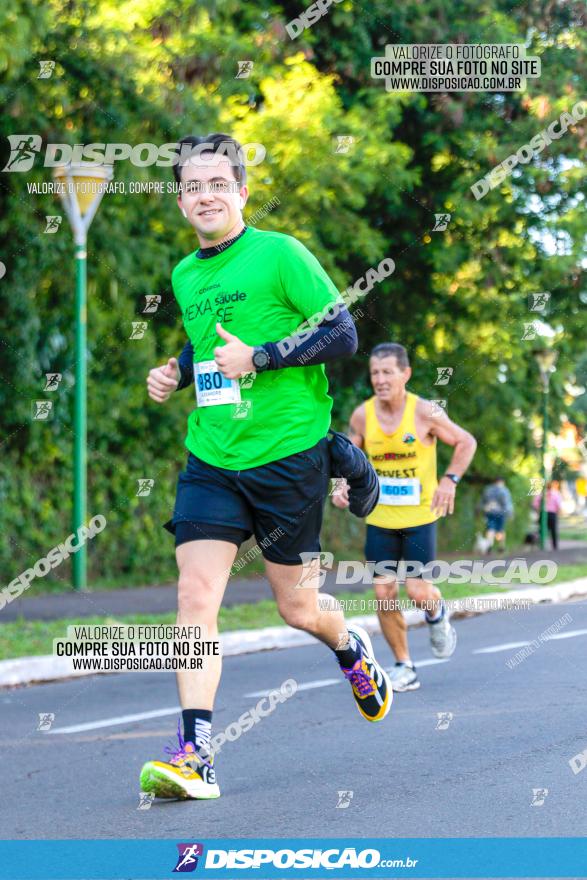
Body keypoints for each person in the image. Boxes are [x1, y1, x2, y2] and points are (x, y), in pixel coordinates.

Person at [139, 133, 392, 801]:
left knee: (298, 606)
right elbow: (211, 351)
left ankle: (349, 647)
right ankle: (195, 755)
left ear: (241, 191)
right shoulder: (185, 275)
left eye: (217, 184)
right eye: (192, 186)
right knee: (194, 597)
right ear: (180, 199)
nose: (205, 196)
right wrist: (178, 374)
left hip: (288, 458)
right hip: (212, 459)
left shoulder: (280, 254)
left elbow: (342, 333)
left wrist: (263, 356)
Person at [332, 343, 477, 692]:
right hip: (379, 517)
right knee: (384, 592)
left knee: (416, 590)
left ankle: (436, 613)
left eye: (387, 372)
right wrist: (339, 486)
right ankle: (404, 665)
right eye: (375, 373)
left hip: (419, 517)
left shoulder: (425, 412)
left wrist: (450, 480)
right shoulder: (362, 416)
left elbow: (466, 442)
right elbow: (347, 456)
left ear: (405, 374)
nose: (380, 380)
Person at [481, 477, 513, 553]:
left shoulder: (488, 489)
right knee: (500, 529)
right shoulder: (504, 490)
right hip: (501, 512)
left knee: (490, 529)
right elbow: (507, 503)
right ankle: (501, 546)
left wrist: (483, 509)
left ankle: (489, 545)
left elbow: (483, 501)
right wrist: (510, 513)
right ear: (502, 482)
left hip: (490, 512)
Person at [533, 480, 562, 550]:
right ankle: (555, 546)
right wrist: (558, 513)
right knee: (553, 530)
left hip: (543, 513)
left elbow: (535, 504)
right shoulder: (556, 494)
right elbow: (558, 505)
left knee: (542, 530)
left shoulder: (541, 494)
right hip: (552, 514)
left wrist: (538, 512)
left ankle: (540, 544)